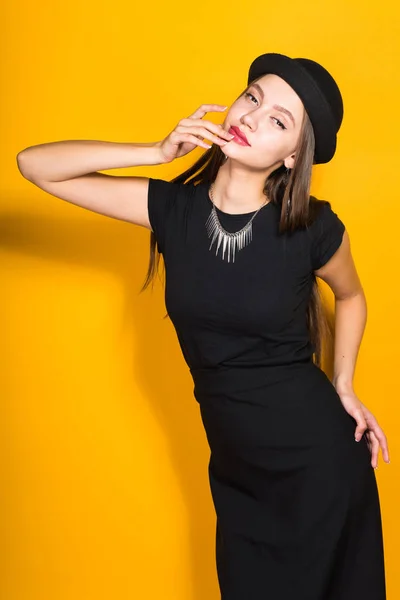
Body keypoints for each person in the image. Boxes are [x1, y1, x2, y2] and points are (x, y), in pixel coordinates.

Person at [17, 52, 390, 599]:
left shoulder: (313, 228)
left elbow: (352, 295)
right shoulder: (173, 209)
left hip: (319, 466)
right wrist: (156, 151)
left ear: (292, 157)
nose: (254, 117)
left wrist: (345, 383)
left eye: (280, 122)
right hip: (239, 475)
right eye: (252, 97)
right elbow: (34, 165)